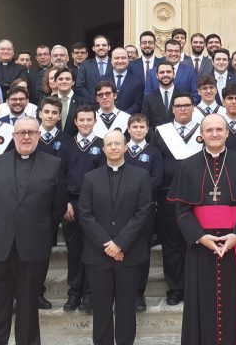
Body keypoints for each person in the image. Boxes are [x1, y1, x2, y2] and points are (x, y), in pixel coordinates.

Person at [167, 114, 236, 345]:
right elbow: (182, 210)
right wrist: (200, 237)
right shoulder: (188, 166)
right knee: (201, 302)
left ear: (227, 133)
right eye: (209, 130)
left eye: (219, 129)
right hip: (201, 246)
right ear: (201, 135)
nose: (214, 134)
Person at [0, 116, 67, 345]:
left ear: (39, 135)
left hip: (33, 246)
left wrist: (39, 229)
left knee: (28, 305)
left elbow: (57, 207)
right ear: (13, 136)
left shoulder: (53, 164)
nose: (26, 137)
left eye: (31, 132)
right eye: (21, 132)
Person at [78, 130, 153, 345]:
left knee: (126, 306)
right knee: (101, 307)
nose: (113, 147)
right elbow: (85, 214)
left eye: (117, 144)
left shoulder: (141, 176)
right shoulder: (90, 178)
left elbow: (143, 213)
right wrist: (108, 245)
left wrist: (120, 243)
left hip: (130, 254)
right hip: (97, 255)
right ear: (103, 149)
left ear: (125, 147)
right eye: (109, 144)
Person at [151, 92, 203, 305]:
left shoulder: (203, 129)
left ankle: (193, 287)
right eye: (178, 106)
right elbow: (154, 161)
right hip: (168, 196)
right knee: (171, 244)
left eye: (186, 105)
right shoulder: (161, 132)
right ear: (172, 109)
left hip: (199, 197)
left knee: (195, 242)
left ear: (193, 108)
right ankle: (175, 288)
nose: (182, 109)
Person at [59, 105, 105, 313]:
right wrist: (65, 202)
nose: (85, 123)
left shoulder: (102, 145)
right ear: (75, 122)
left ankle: (90, 293)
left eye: (89, 119)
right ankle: (74, 292)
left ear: (95, 121)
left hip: (94, 207)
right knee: (75, 250)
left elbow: (104, 178)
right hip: (72, 205)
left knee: (93, 251)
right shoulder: (66, 146)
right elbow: (59, 176)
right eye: (82, 120)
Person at [123, 114, 163, 312]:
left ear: (147, 130)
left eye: (142, 127)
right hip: (121, 209)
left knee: (142, 252)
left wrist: (137, 191)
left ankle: (139, 293)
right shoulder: (121, 149)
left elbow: (157, 178)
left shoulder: (154, 152)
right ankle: (123, 292)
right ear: (128, 129)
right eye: (135, 126)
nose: (138, 130)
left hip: (146, 209)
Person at [141, 61, 179, 130]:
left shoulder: (183, 96)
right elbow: (145, 123)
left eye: (168, 72)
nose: (165, 75)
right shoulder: (149, 99)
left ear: (174, 74)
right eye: (162, 72)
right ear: (157, 75)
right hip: (155, 136)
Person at [76, 35, 113, 103]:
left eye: (104, 45)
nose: (101, 48)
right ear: (93, 48)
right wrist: (94, 99)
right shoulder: (85, 65)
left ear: (109, 47)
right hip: (91, 105)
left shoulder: (115, 64)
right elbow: (80, 86)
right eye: (98, 45)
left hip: (112, 104)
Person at [109, 47, 144, 113]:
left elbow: (138, 104)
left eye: (123, 58)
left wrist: (124, 116)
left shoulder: (137, 81)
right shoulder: (102, 80)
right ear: (111, 61)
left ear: (128, 60)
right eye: (116, 58)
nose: (120, 61)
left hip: (129, 117)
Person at [55, 67, 83, 137]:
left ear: (73, 82)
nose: (64, 81)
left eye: (67, 79)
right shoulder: (48, 101)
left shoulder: (82, 102)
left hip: (74, 141)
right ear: (55, 82)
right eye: (60, 79)